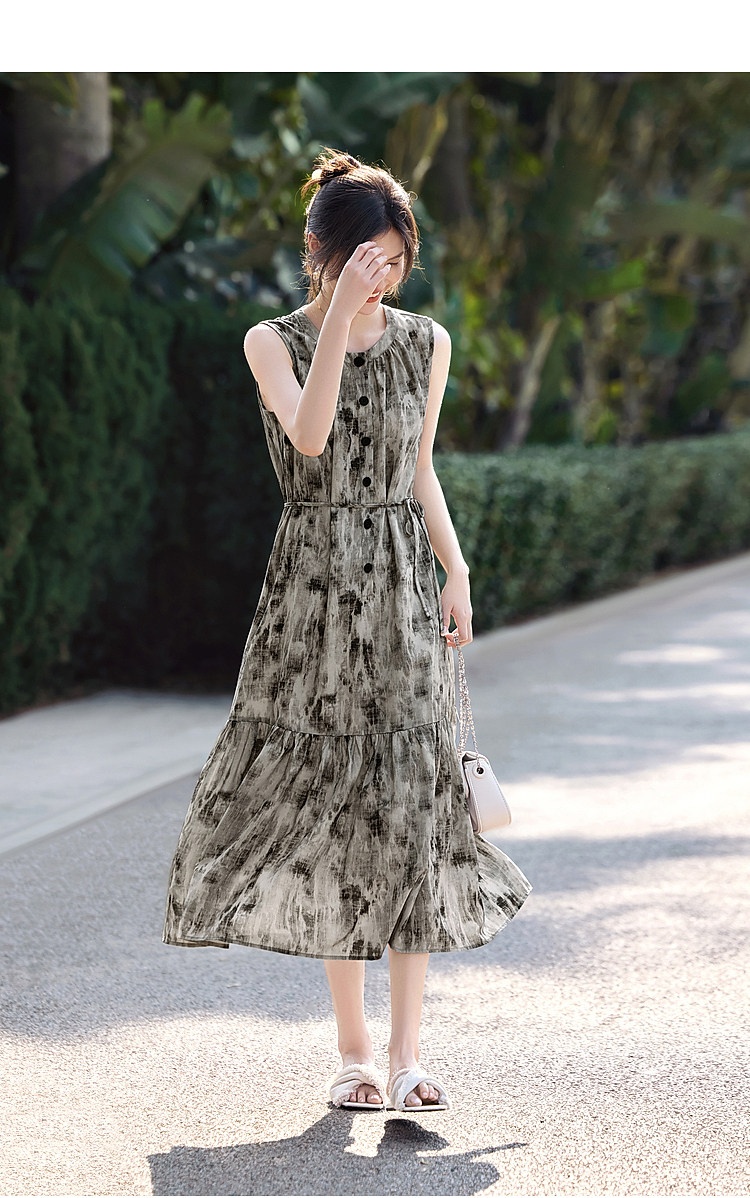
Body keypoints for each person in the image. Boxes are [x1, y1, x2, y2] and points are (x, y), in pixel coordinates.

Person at [162, 147, 532, 1113]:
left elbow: (419, 467)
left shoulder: (427, 342)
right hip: (314, 594)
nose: (386, 279)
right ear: (323, 254)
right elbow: (313, 437)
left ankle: (408, 1054)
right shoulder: (271, 342)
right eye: (369, 261)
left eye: (397, 262)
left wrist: (456, 568)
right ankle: (353, 1052)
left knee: (409, 808)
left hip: (402, 583)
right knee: (329, 809)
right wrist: (336, 318)